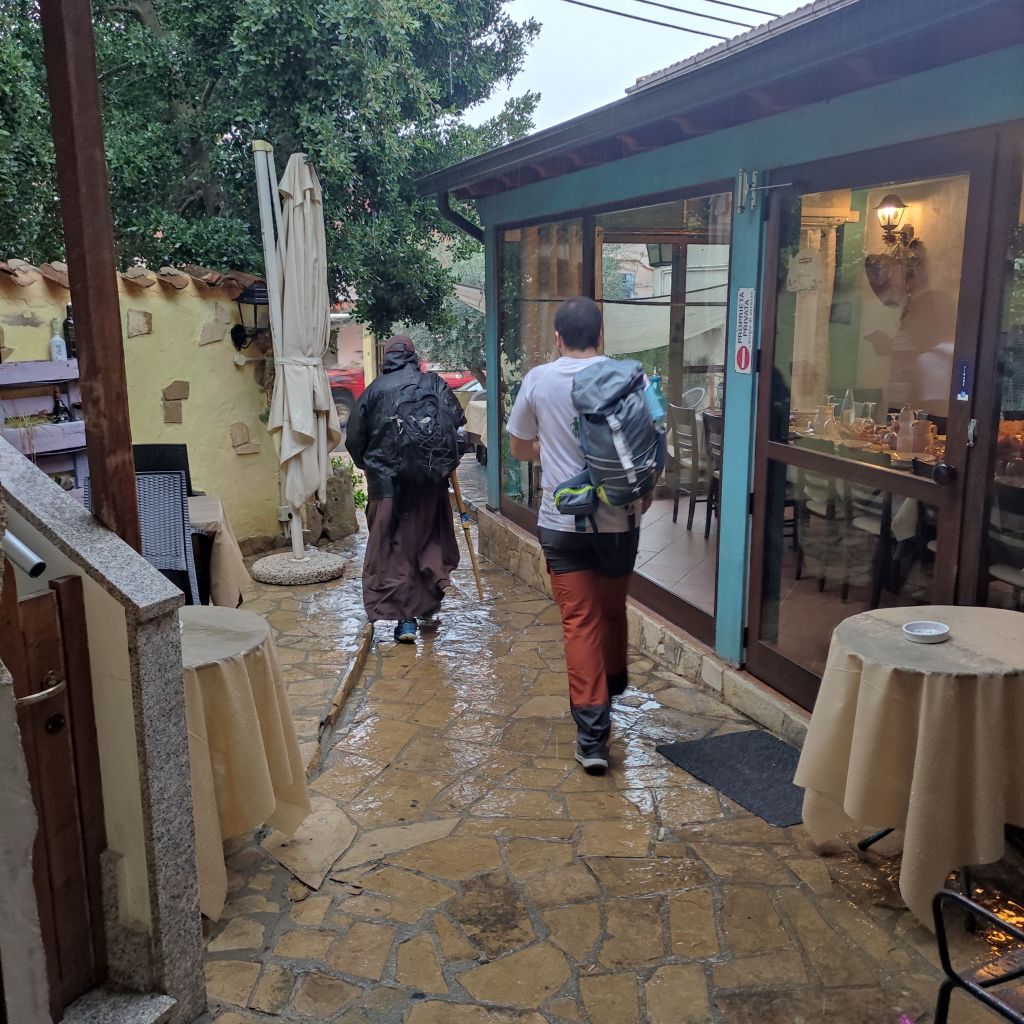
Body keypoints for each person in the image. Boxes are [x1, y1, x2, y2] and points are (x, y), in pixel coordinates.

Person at [506, 297, 646, 775]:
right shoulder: (631, 377)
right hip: (621, 523)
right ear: (601, 336)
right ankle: (614, 682)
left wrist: (552, 448)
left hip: (562, 523)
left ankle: (592, 741)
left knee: (580, 622)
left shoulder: (538, 380)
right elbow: (652, 446)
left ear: (558, 338)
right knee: (612, 609)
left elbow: (518, 447)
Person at [345, 335, 464, 643]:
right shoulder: (435, 383)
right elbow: (457, 428)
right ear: (413, 356)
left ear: (388, 357)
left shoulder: (373, 391)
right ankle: (427, 604)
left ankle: (406, 620)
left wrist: (371, 467)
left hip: (388, 487)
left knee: (395, 551)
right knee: (427, 542)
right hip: (429, 484)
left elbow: (354, 441)